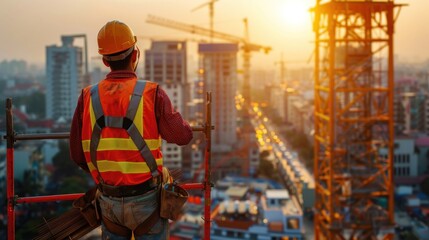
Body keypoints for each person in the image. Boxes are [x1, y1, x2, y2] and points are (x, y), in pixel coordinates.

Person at [69, 20, 193, 240]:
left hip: (108, 201)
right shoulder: (152, 94)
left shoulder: (87, 96)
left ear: (105, 61)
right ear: (135, 55)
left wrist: (110, 172)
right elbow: (183, 136)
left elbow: (78, 156)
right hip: (147, 201)